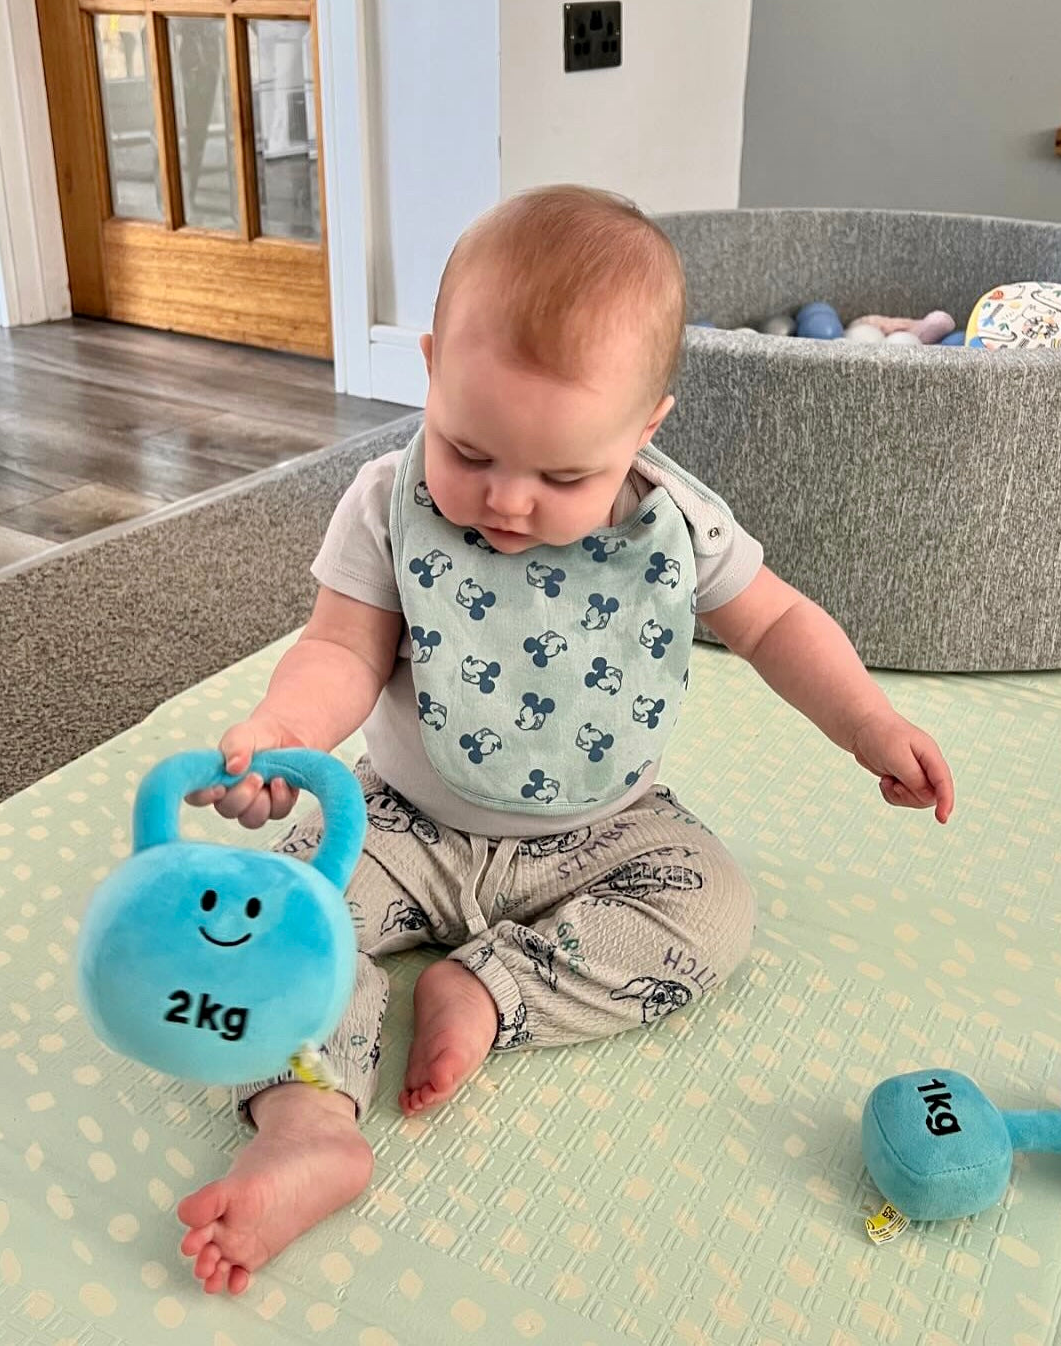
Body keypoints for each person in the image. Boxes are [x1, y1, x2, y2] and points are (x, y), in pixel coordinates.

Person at [176, 185, 955, 1295]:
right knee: (269, 928)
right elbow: (342, 648)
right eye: (470, 448)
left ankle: (493, 989)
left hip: (603, 829)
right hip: (396, 817)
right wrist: (282, 733)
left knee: (713, 908)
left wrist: (870, 721)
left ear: (645, 428)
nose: (507, 502)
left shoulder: (677, 524)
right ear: (434, 365)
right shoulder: (380, 502)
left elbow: (776, 620)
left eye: (564, 475)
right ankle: (306, 1122)